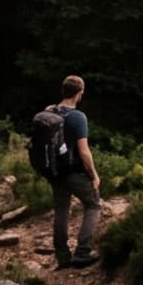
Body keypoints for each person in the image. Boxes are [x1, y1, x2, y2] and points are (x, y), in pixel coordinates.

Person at [49, 74, 101, 269]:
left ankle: (62, 257)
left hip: (54, 171)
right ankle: (83, 252)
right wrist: (94, 175)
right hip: (73, 172)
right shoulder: (77, 117)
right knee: (93, 204)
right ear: (80, 93)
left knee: (61, 209)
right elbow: (84, 151)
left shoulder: (50, 111)